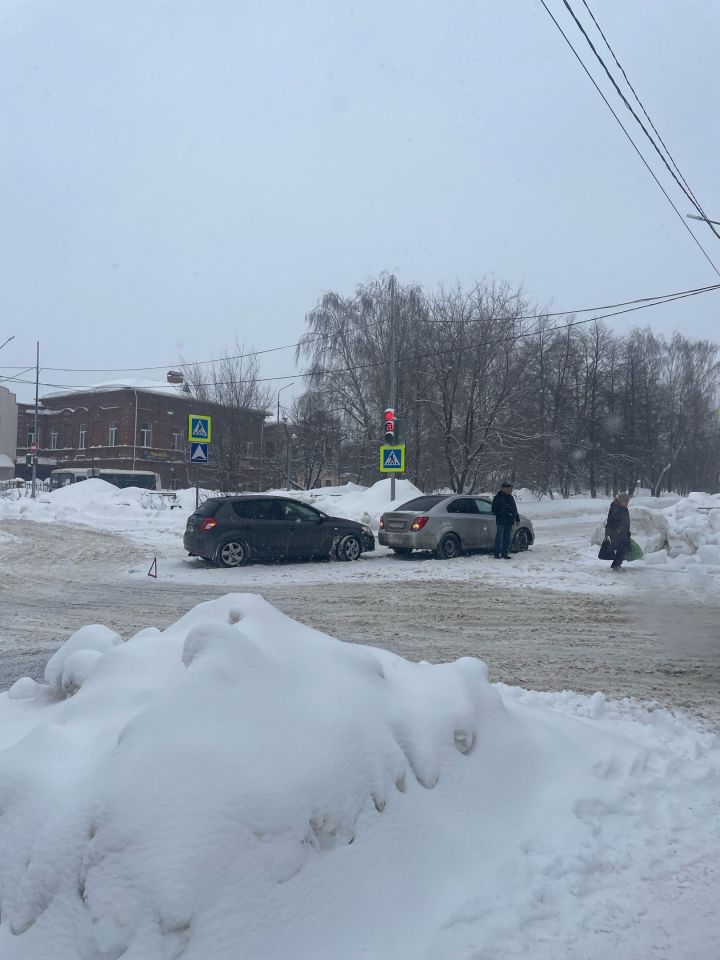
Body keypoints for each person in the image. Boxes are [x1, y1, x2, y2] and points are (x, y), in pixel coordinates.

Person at [491, 481, 520, 559]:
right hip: (501, 521)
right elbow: (494, 509)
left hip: (509, 521)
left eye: (510, 489)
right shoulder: (498, 497)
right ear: (503, 489)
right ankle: (496, 554)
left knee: (507, 537)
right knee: (499, 537)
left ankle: (504, 553)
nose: (509, 490)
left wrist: (517, 519)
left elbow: (514, 509)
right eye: (508, 489)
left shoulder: (511, 497)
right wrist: (502, 514)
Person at [604, 492, 631, 571]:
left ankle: (617, 564)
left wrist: (627, 531)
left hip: (622, 532)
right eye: (625, 501)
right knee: (621, 548)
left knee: (623, 548)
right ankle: (616, 565)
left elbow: (625, 521)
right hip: (615, 532)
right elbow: (612, 521)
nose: (627, 503)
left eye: (627, 501)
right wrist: (617, 530)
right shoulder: (616, 508)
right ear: (621, 500)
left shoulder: (623, 508)